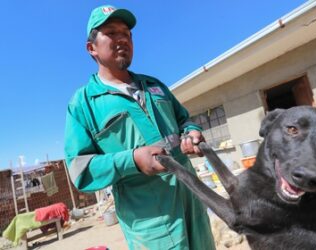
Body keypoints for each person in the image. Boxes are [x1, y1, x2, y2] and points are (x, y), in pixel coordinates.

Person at [64, 5, 215, 250]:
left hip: (192, 200)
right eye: (111, 33)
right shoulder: (82, 104)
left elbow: (184, 120)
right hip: (151, 222)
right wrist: (132, 160)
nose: (123, 38)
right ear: (91, 48)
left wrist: (191, 132)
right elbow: (80, 169)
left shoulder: (154, 85)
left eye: (127, 33)